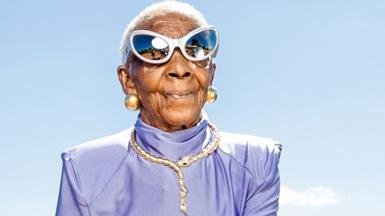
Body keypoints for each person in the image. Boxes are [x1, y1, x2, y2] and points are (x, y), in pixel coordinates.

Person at [55, 1, 282, 216]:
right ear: (128, 81)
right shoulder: (84, 166)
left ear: (211, 73)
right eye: (154, 53)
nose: (180, 69)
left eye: (196, 49)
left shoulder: (256, 160)